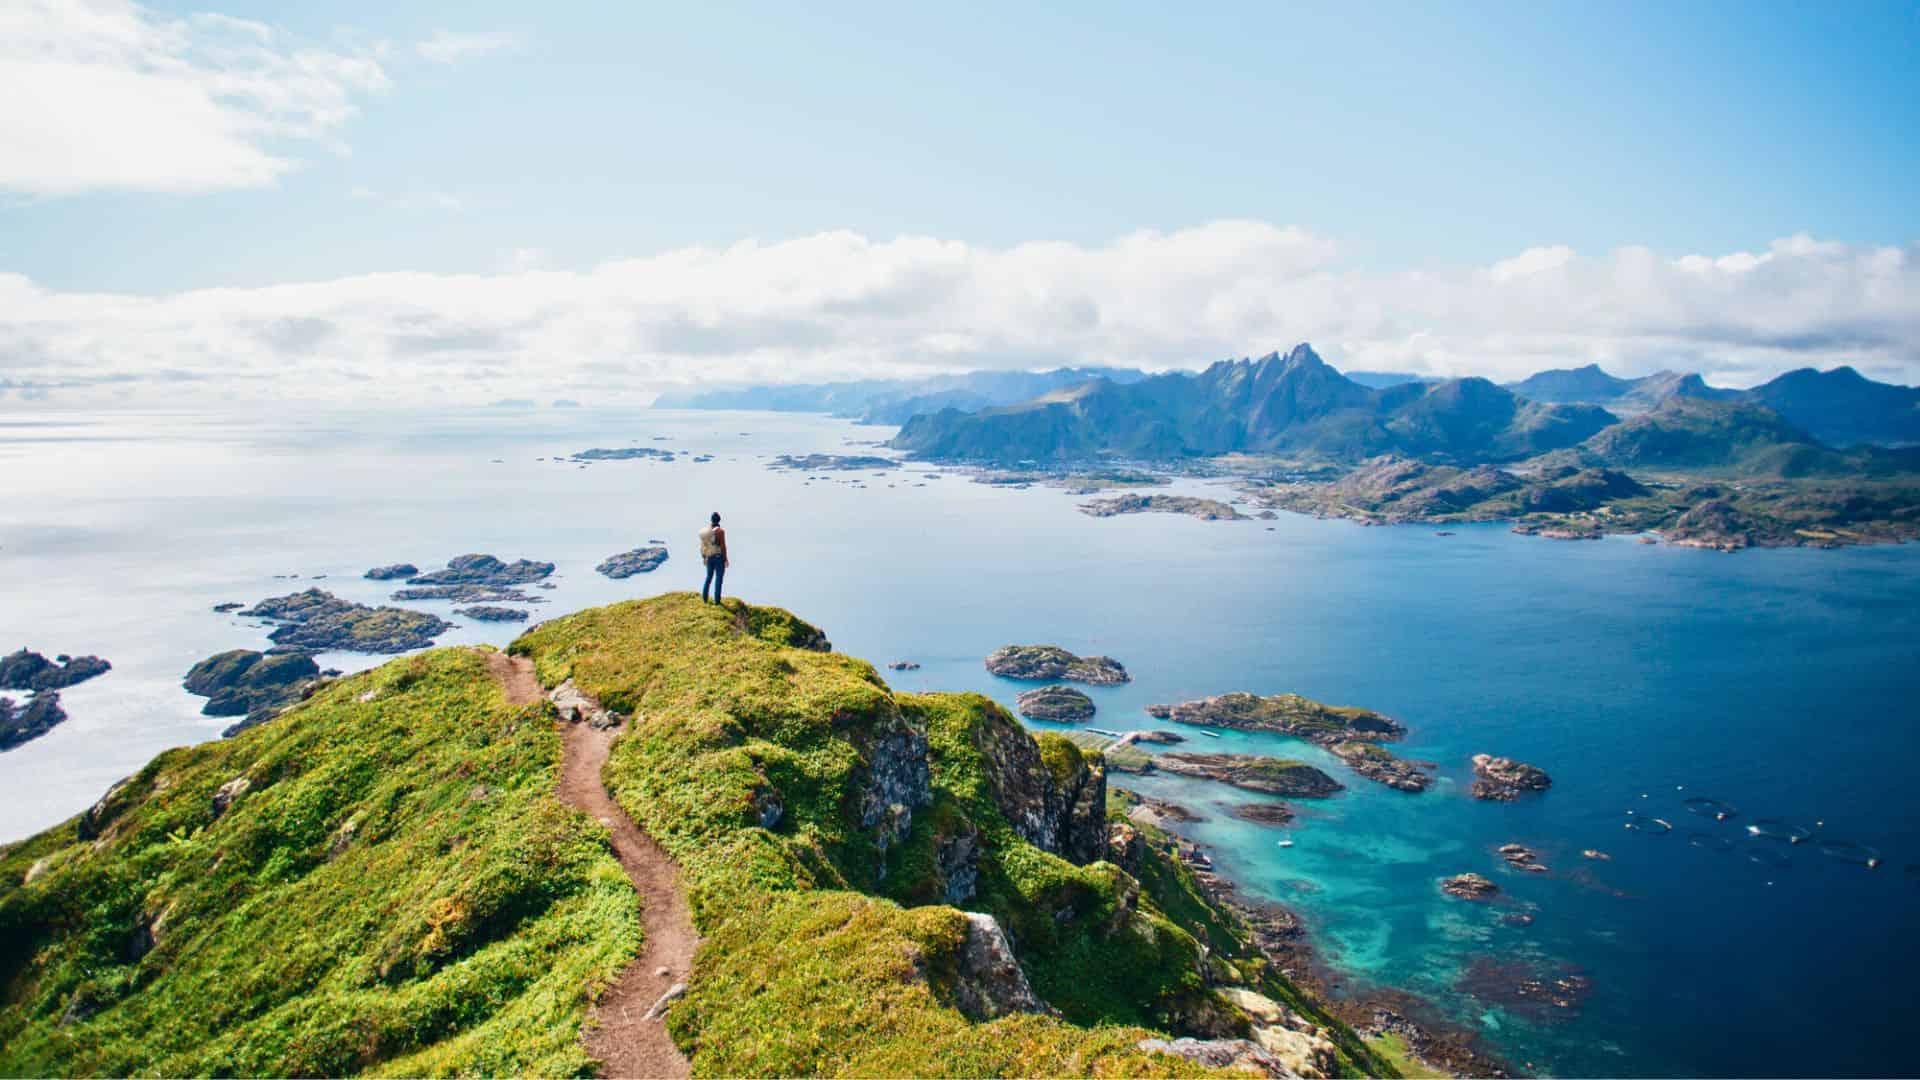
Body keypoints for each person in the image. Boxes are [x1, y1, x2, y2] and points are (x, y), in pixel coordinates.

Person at [699, 512, 729, 603]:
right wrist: (725, 559)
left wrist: (704, 557)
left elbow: (703, 545)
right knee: (718, 578)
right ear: (719, 520)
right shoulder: (720, 531)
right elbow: (723, 546)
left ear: (711, 520)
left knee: (708, 577)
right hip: (718, 557)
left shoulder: (707, 531)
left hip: (708, 557)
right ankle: (717, 601)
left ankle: (704, 599)